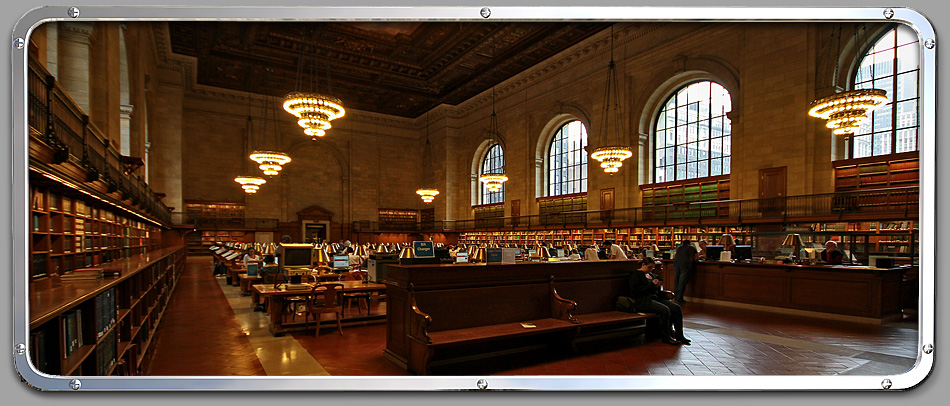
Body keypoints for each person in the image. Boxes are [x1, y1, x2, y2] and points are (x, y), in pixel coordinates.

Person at [625, 258, 690, 345]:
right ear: (643, 265)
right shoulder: (636, 275)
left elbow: (656, 290)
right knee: (665, 310)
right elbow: (636, 292)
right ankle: (666, 337)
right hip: (643, 300)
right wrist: (651, 285)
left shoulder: (651, 275)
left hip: (655, 298)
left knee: (676, 308)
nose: (650, 270)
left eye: (652, 268)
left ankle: (679, 335)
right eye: (649, 267)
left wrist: (657, 285)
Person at [673, 239, 698, 304]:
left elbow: (675, 256)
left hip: (676, 264)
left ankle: (675, 297)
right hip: (685, 265)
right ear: (690, 243)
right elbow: (696, 258)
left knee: (676, 280)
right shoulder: (692, 248)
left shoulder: (679, 248)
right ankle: (680, 298)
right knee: (682, 281)